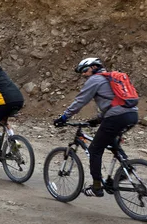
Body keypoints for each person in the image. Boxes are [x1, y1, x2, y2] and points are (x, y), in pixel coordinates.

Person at [54, 57, 138, 197]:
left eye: (84, 70)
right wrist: (97, 119)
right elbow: (113, 102)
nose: (83, 74)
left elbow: (80, 101)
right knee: (111, 142)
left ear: (94, 67)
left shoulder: (95, 80)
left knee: (94, 149)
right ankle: (126, 167)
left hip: (116, 116)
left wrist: (64, 117)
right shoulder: (111, 79)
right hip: (132, 114)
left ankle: (96, 187)